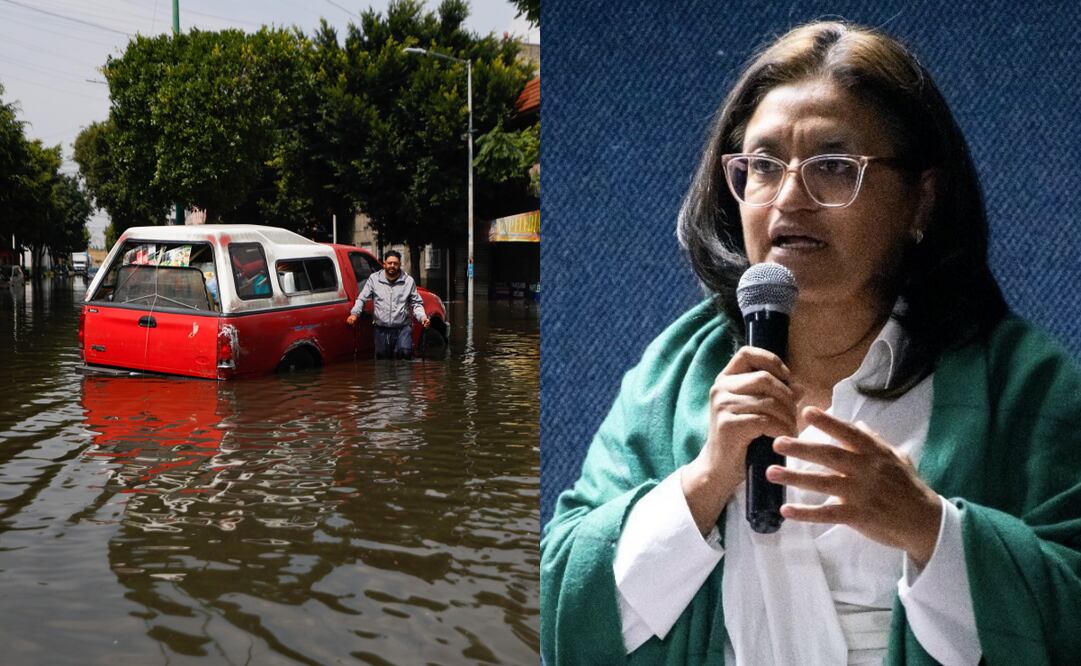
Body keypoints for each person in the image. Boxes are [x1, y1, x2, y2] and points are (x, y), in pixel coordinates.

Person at [540, 20, 1081, 665]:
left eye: (832, 167)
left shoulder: (1023, 381)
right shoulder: (673, 374)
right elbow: (562, 604)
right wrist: (706, 481)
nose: (788, 198)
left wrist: (928, 527)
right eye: (763, 166)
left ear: (921, 201)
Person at [346, 250, 430, 359]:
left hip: (402, 328)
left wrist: (422, 317)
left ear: (400, 264)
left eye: (395, 263)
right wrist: (354, 314)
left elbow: (416, 303)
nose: (392, 266)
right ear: (384, 264)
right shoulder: (374, 279)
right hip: (381, 328)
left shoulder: (408, 281)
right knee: (382, 360)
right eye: (390, 263)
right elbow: (362, 298)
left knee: (404, 354)